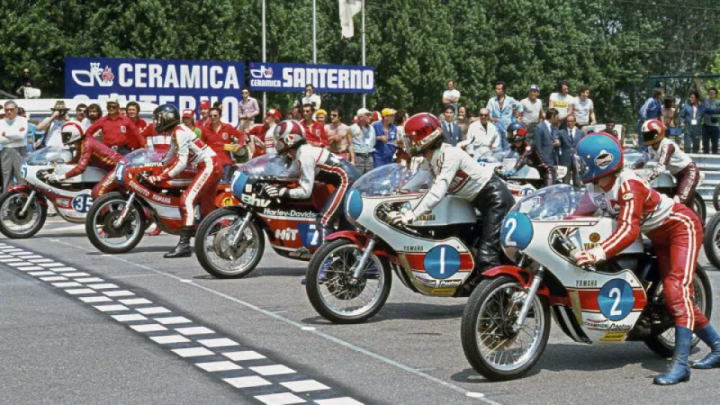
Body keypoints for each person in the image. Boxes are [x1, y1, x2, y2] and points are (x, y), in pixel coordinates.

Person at [570, 133, 720, 385]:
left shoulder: (629, 184)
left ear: (601, 161)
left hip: (681, 228)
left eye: (584, 162)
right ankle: (717, 346)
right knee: (677, 298)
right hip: (658, 236)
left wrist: (596, 253)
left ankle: (681, 365)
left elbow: (628, 230)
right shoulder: (596, 188)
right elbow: (577, 216)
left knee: (676, 292)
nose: (581, 167)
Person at [390, 113, 514, 278]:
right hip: (476, 201)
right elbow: (418, 179)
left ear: (423, 138)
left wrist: (412, 215)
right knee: (463, 242)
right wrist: (396, 196)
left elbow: (438, 189)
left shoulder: (450, 155)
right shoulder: (431, 159)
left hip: (494, 199)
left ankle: (499, 296)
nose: (409, 144)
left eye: (411, 140)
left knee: (487, 255)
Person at [263, 120, 360, 243]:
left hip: (347, 179)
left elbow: (305, 192)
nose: (277, 143)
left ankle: (325, 261)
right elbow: (289, 174)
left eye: (278, 139)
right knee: (345, 225)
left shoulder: (305, 156)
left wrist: (281, 192)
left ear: (288, 139)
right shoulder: (303, 152)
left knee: (324, 220)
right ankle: (347, 258)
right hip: (348, 178)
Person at [147, 105, 221, 258]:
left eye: (158, 118)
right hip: (210, 164)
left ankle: (184, 245)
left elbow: (181, 163)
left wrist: (161, 177)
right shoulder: (178, 131)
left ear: (166, 118)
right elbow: (169, 156)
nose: (156, 122)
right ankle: (220, 234)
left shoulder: (179, 133)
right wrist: (153, 166)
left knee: (186, 200)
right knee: (207, 210)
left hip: (208, 165)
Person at [635, 119, 702, 209]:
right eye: (645, 135)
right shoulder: (650, 148)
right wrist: (629, 171)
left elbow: (661, 166)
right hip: (678, 176)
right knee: (688, 208)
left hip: (689, 172)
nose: (647, 137)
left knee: (677, 203)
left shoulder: (667, 145)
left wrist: (646, 179)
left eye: (649, 134)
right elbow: (640, 162)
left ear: (658, 133)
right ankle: (699, 223)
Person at [46, 122, 124, 199]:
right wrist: (64, 164)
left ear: (74, 134)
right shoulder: (83, 142)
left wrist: (62, 177)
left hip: (119, 168)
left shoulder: (87, 144)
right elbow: (77, 158)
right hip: (116, 167)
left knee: (97, 193)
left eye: (66, 135)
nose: (64, 138)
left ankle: (104, 212)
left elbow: (81, 168)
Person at [504, 121, 554, 187]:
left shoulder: (529, 145)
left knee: (548, 193)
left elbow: (523, 159)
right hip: (532, 174)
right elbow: (508, 155)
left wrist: (513, 171)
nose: (509, 136)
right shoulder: (513, 146)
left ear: (519, 133)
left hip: (545, 172)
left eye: (510, 133)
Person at [204, 107, 247, 183]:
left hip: (226, 164)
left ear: (220, 116)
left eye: (215, 115)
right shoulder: (205, 129)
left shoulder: (227, 127)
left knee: (225, 187)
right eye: (210, 116)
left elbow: (241, 135)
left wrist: (239, 145)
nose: (212, 118)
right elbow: (201, 145)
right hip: (211, 164)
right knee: (211, 187)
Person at [0, 101, 28, 190]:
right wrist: (14, 135)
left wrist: (6, 134)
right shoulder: (1, 122)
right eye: (7, 110)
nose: (9, 112)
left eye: (11, 109)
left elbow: (21, 136)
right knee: (6, 177)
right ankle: (7, 202)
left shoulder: (23, 120)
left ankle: (23, 200)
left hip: (20, 150)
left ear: (16, 110)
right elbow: (1, 140)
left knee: (21, 177)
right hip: (5, 151)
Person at [486, 81, 522, 149]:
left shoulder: (510, 100)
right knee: (497, 146)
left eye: (499, 89)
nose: (497, 91)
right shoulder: (491, 101)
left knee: (508, 146)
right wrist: (492, 118)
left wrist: (518, 117)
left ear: (503, 90)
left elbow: (520, 106)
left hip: (508, 127)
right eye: (496, 89)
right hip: (496, 126)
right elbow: (488, 113)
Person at [558, 115, 585, 186]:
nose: (570, 123)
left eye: (571, 121)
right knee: (565, 182)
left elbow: (583, 145)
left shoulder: (581, 133)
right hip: (565, 159)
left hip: (577, 159)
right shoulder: (561, 132)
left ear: (575, 122)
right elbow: (558, 143)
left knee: (577, 181)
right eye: (568, 121)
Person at [349, 108, 376, 173]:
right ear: (360, 117)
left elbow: (374, 142)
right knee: (358, 177)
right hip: (358, 157)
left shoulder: (372, 128)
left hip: (369, 157)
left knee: (369, 177)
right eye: (367, 115)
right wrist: (352, 160)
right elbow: (349, 144)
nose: (370, 117)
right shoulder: (352, 128)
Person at [702, 87, 720, 154]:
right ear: (708, 94)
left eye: (713, 93)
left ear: (716, 94)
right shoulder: (705, 101)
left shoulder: (718, 102)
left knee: (715, 145)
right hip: (706, 126)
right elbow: (699, 90)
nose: (711, 94)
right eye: (710, 93)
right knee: (705, 145)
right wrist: (697, 79)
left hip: (715, 126)